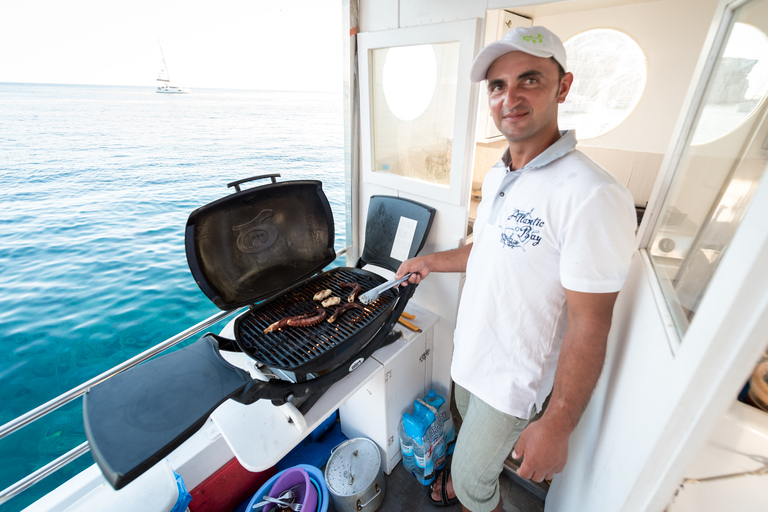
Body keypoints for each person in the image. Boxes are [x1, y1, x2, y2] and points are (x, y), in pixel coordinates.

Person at [394, 26, 636, 511]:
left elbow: (591, 322)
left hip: (511, 384)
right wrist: (429, 262)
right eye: (498, 86)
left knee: (474, 484)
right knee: (468, 454)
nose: (511, 97)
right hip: (470, 358)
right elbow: (486, 249)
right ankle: (463, 483)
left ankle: (470, 494)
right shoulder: (501, 173)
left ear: (562, 87)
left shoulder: (591, 194)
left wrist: (558, 424)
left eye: (530, 80)